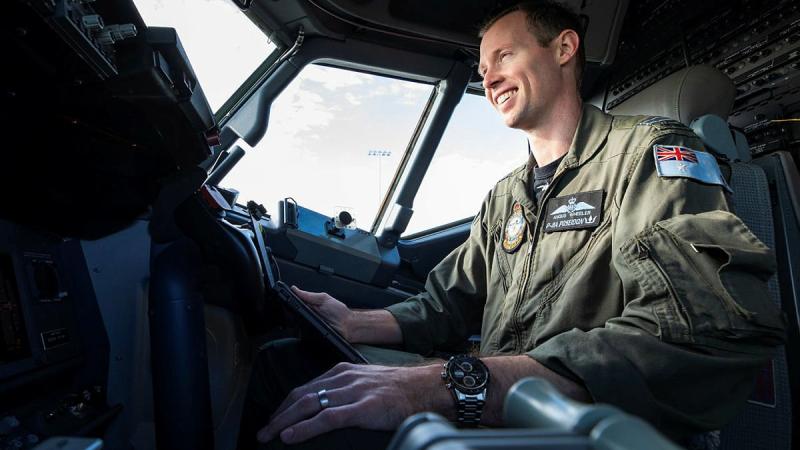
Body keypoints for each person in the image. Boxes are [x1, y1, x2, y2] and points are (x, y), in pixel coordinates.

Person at [240, 1, 786, 448]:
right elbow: (443, 307)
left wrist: (450, 385)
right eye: (482, 69)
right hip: (494, 406)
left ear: (565, 48)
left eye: (504, 55)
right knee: (288, 365)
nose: (489, 76)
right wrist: (352, 322)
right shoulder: (506, 196)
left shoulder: (647, 155)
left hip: (578, 428)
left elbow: (701, 330)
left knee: (319, 423)